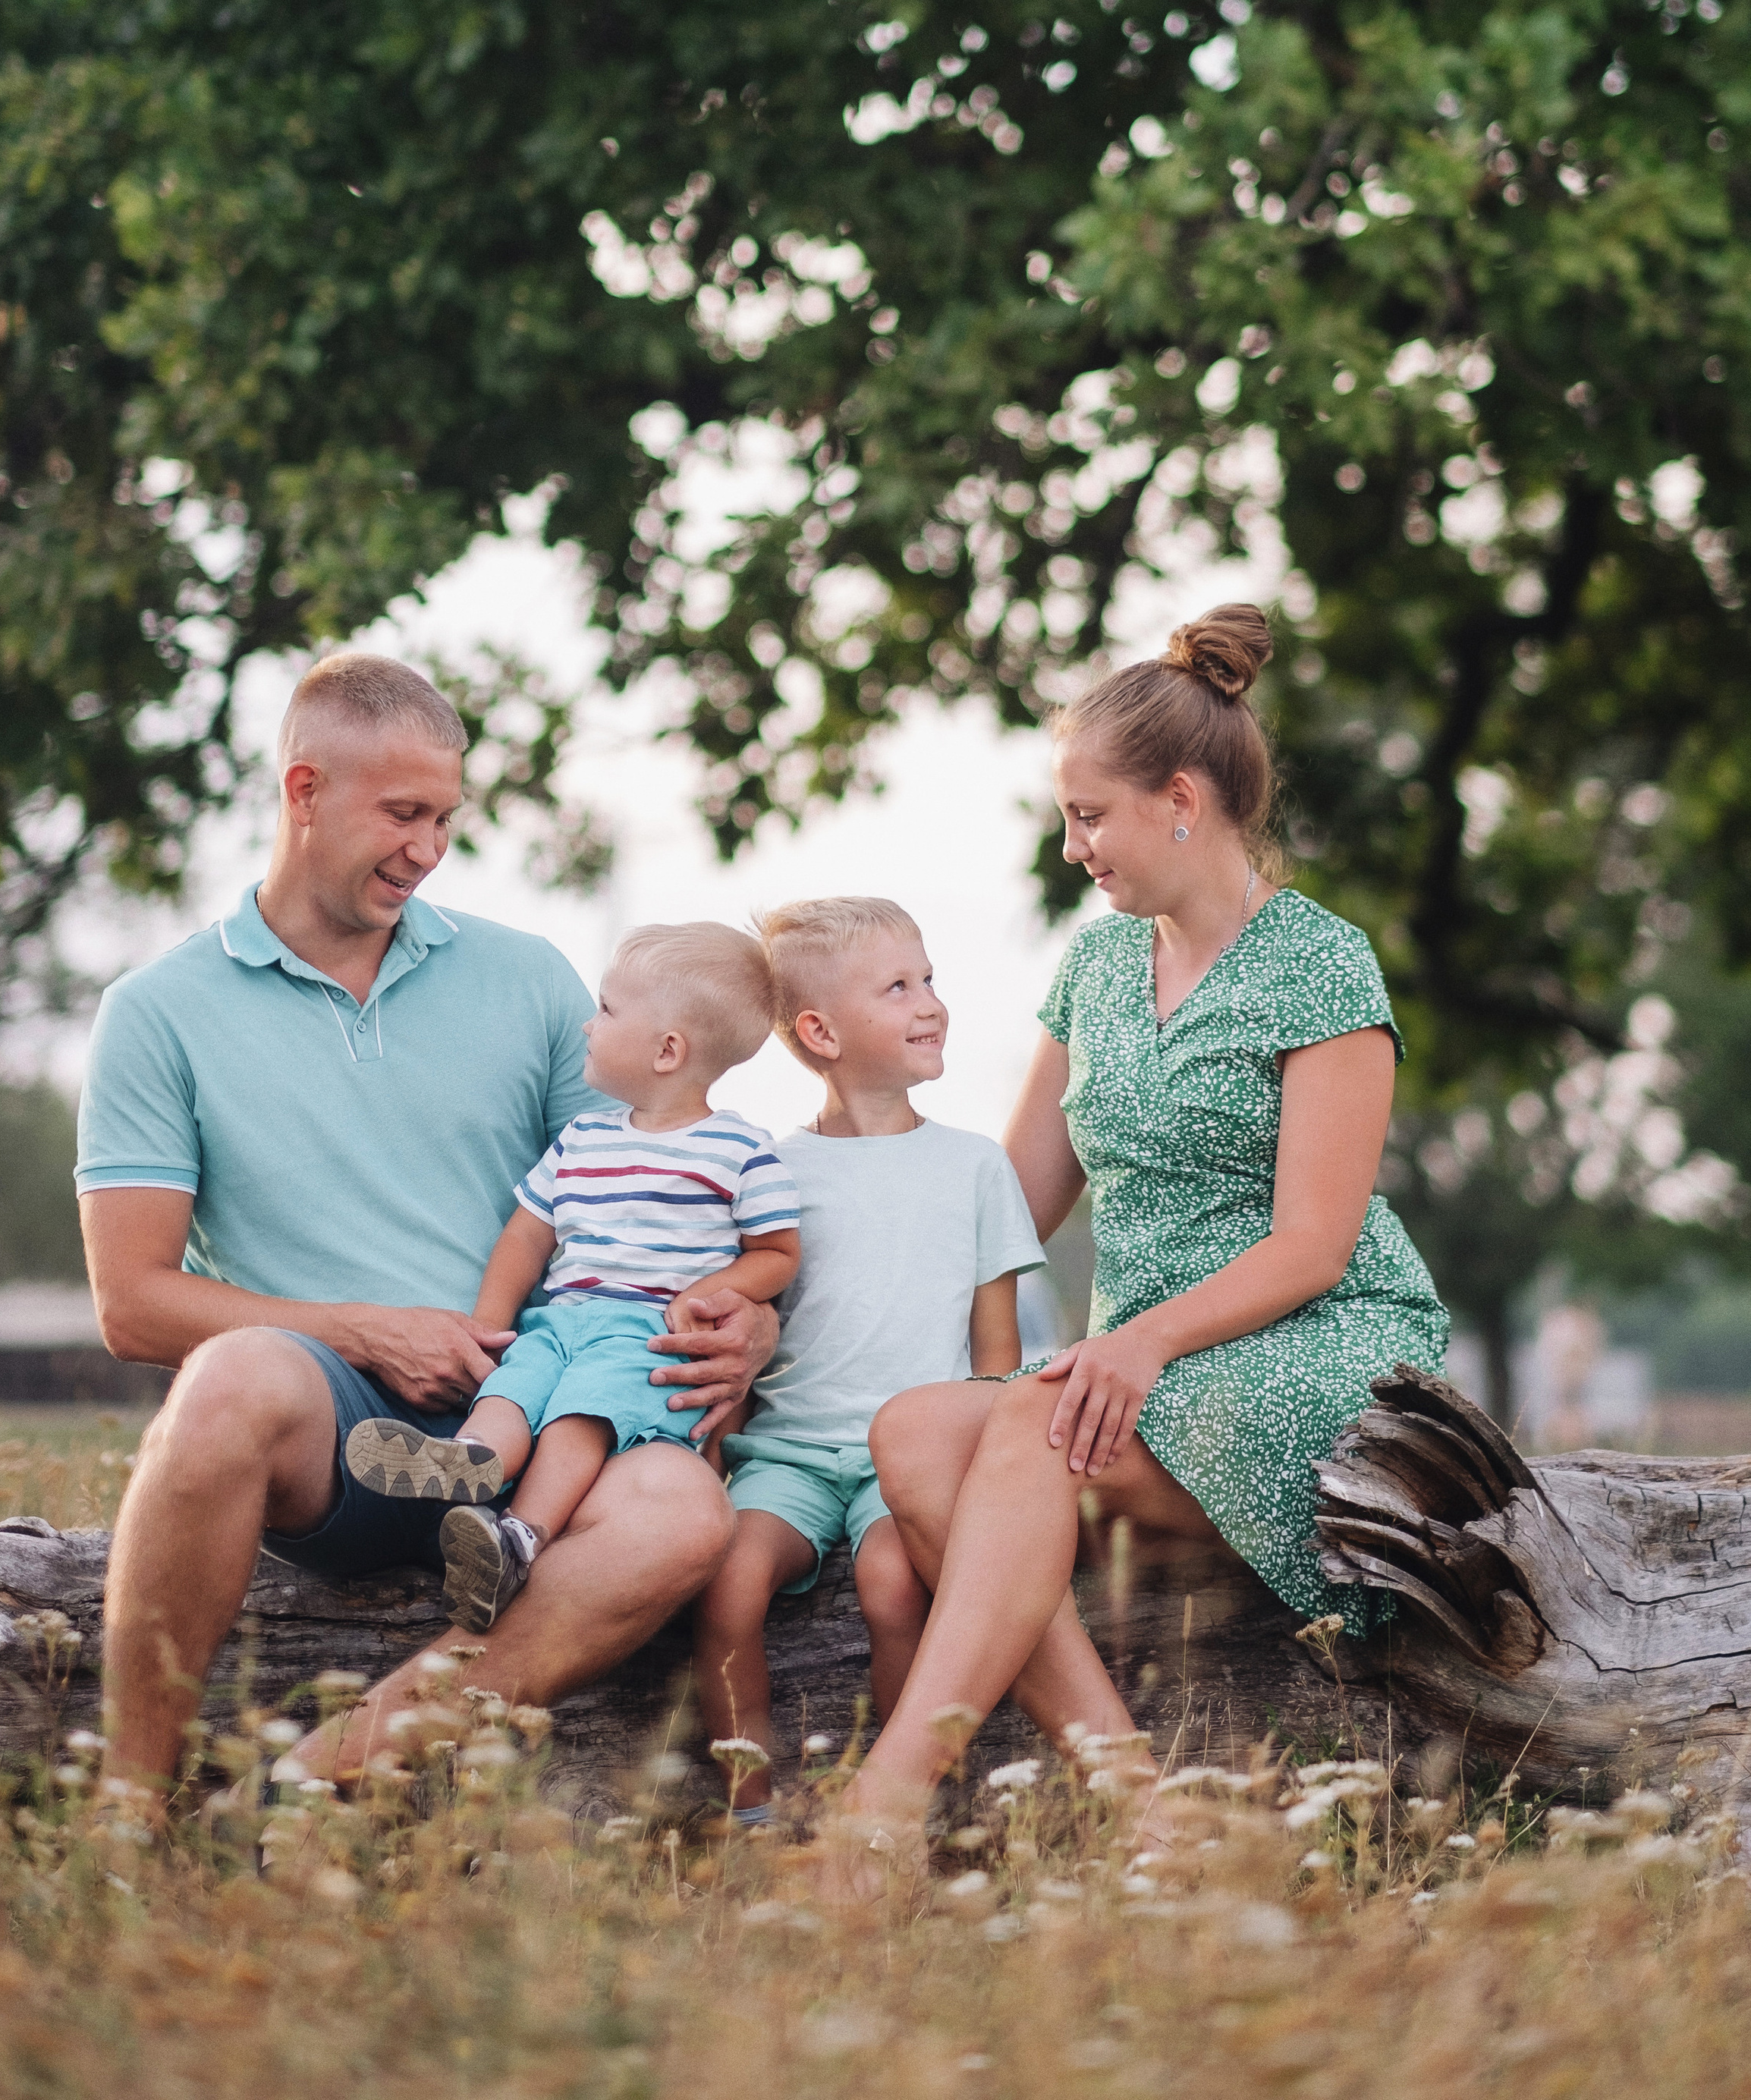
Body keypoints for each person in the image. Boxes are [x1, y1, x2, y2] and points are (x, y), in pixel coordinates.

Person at [77, 652, 776, 1803]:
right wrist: (363, 1334)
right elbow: (132, 1302)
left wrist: (739, 1321)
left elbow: (653, 1193)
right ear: (304, 792)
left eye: (446, 817)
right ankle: (127, 1811)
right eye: (402, 813)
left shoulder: (531, 980)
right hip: (334, 1436)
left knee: (682, 1515)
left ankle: (303, 1789)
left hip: (546, 1415)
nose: (428, 848)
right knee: (229, 1379)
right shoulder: (159, 1013)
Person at [831, 602, 1449, 1869]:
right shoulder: (1097, 966)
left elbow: (1314, 1245)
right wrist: (825, 1189)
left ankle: (886, 1798)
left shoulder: (1324, 968)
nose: (1073, 848)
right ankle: (1142, 1804)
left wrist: (1136, 1347)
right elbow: (1014, 1195)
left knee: (1018, 1427)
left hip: (1310, 1345)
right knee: (911, 1434)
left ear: (1180, 800)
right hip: (1141, 1369)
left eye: (1088, 814)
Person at [341, 923, 801, 1633]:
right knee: (513, 1389)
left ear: (668, 1050)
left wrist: (707, 1296)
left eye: (610, 1010)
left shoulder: (740, 1150)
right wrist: (488, 1331)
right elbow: (528, 1234)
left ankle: (519, 1537)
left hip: (647, 1340)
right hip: (559, 1319)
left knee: (578, 1415)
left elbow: (777, 1252)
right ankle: (466, 1463)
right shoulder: (584, 1139)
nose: (590, 1023)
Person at [692, 898, 1045, 1815]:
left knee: (892, 1585)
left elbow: (996, 1356)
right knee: (729, 1580)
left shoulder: (975, 1166)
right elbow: (740, 1338)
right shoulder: (770, 1172)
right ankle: (752, 1808)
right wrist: (713, 1454)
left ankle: (906, 1810)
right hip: (789, 1458)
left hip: (908, 1473)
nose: (930, 1002)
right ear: (820, 1031)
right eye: (898, 987)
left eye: (928, 979)